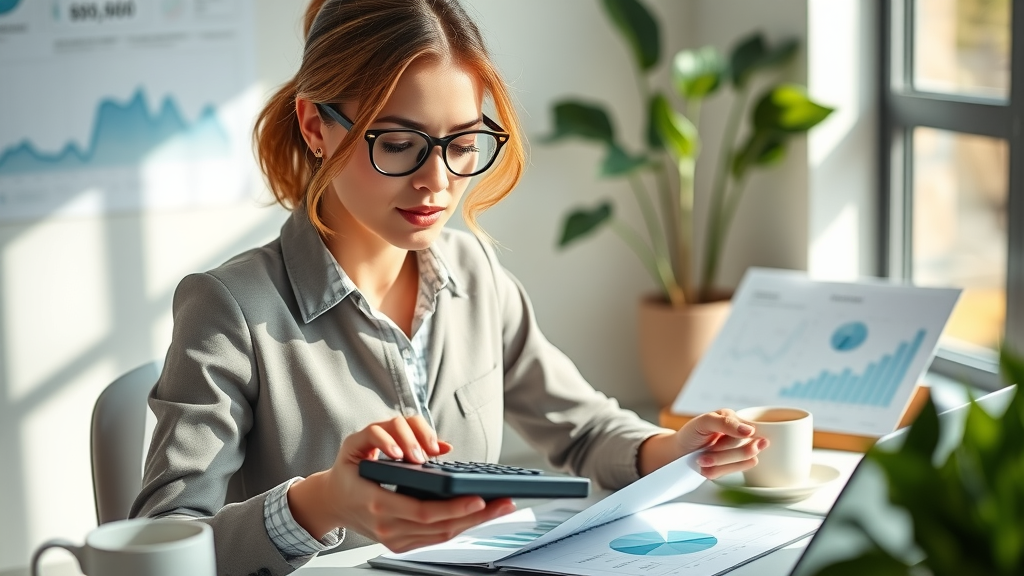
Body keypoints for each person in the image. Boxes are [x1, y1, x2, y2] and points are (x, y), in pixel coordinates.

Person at [129, 1, 768, 575]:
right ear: (315, 126)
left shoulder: (475, 273)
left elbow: (583, 428)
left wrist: (673, 448)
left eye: (463, 143)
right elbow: (159, 542)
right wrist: (322, 502)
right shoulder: (230, 308)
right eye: (398, 144)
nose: (437, 181)